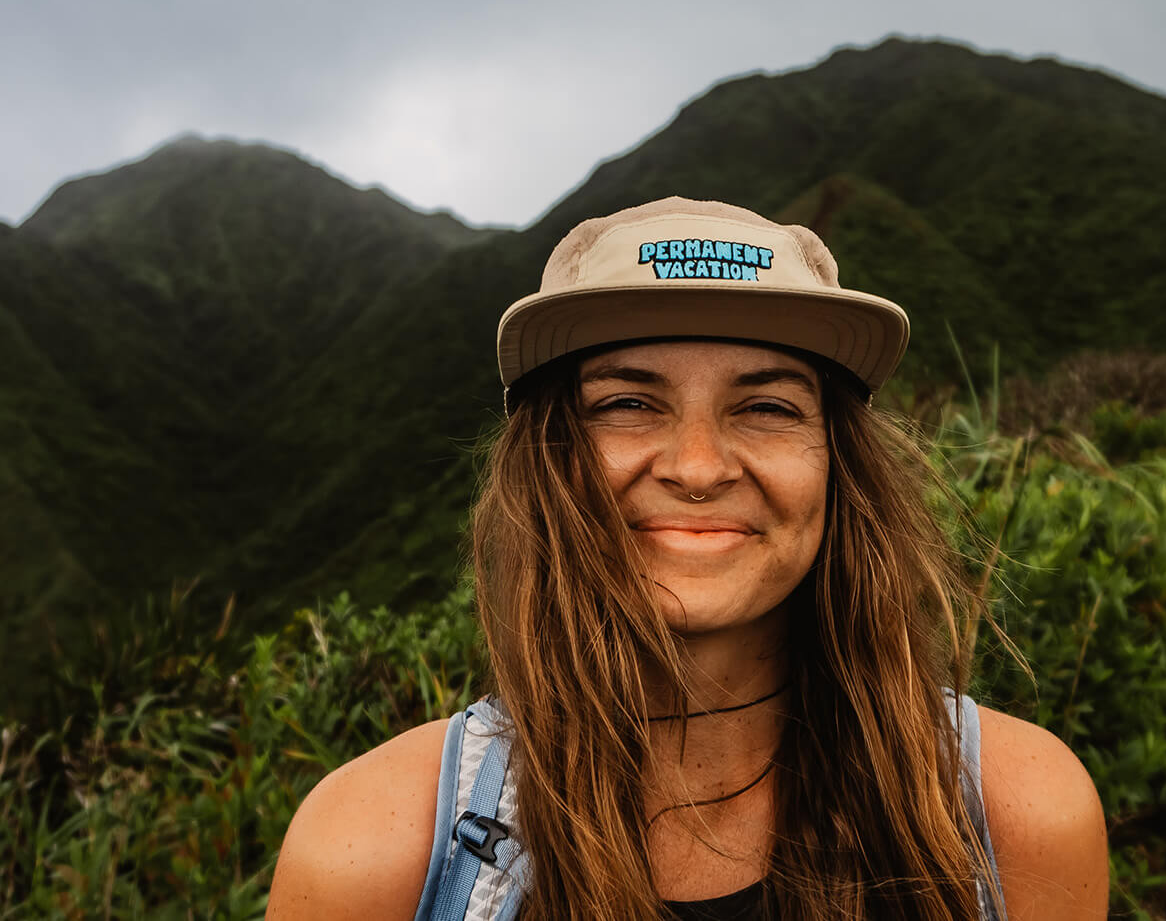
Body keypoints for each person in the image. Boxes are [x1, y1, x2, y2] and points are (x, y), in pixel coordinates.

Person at [267, 197, 1107, 920]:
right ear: (549, 460)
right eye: (629, 402)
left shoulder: (1011, 816)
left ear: (837, 462)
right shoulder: (372, 853)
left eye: (768, 406)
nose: (698, 467)